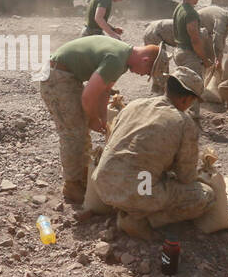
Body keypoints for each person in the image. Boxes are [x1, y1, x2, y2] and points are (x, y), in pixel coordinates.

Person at [88, 67, 220, 240]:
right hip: (138, 191)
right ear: (187, 98)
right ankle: (140, 219)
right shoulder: (184, 123)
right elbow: (186, 177)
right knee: (206, 196)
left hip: (103, 183)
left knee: (146, 177)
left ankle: (127, 206)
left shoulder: (134, 105)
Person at [37, 35, 159, 204]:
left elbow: (103, 91)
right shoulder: (116, 60)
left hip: (65, 75)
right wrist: (92, 118)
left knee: (80, 130)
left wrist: (103, 119)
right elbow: (88, 96)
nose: (141, 75)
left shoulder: (122, 57)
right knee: (73, 133)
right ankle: (72, 185)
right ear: (145, 60)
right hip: (57, 77)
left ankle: (82, 176)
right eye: (146, 72)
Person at [171, 0, 215, 119]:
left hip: (178, 51)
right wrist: (204, 59)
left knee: (182, 86)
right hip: (189, 55)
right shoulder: (191, 13)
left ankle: (178, 115)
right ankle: (192, 119)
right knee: (194, 88)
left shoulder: (179, 8)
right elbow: (195, 39)